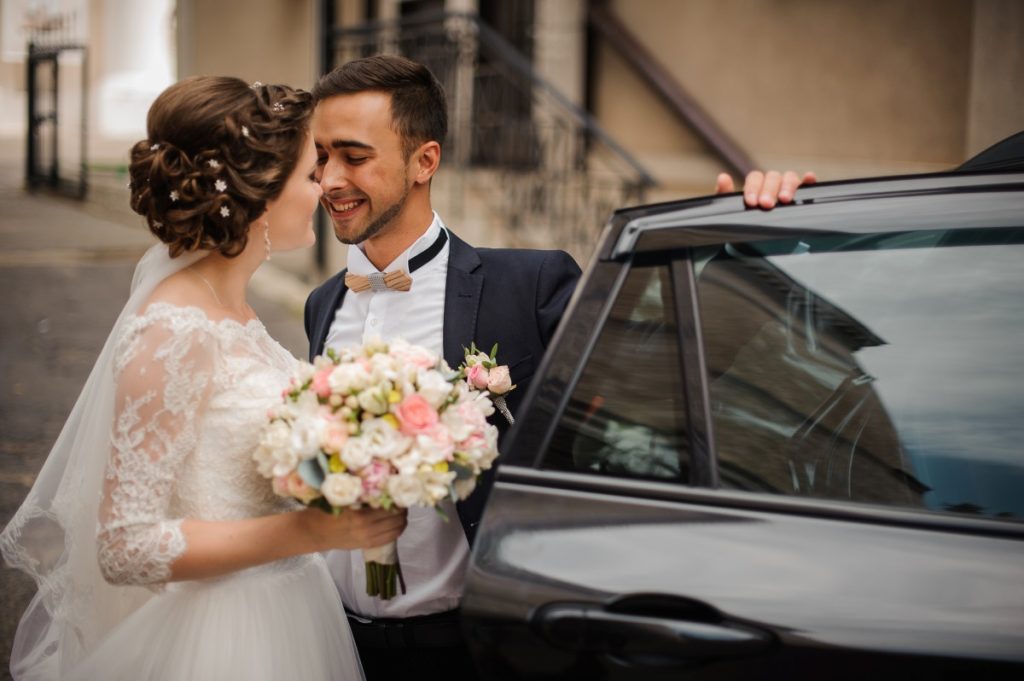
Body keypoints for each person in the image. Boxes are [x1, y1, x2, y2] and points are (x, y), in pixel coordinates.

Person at [303, 54, 813, 681]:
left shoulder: (531, 283)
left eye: (353, 157)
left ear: (424, 161)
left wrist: (742, 240)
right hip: (334, 645)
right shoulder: (321, 304)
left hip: (468, 647)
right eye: (321, 156)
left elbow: (647, 383)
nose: (328, 179)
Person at [0, 76, 406, 681]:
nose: (322, 187)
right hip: (225, 639)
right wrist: (310, 530)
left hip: (289, 612)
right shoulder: (174, 331)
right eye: (308, 173)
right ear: (260, 195)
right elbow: (125, 545)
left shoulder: (233, 312)